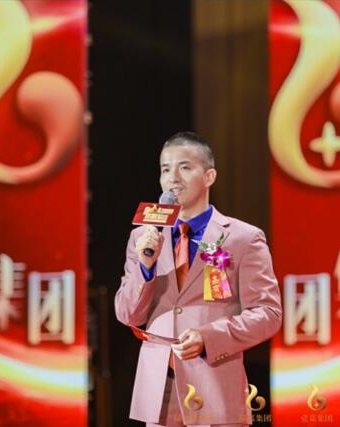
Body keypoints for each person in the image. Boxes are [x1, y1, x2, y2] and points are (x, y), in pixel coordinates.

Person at [115, 132, 282, 426]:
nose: (173, 178)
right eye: (165, 169)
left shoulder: (243, 238)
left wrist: (209, 337)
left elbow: (268, 313)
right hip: (160, 390)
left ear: (209, 176)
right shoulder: (144, 238)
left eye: (184, 167)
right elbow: (128, 314)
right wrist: (145, 268)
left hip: (215, 385)